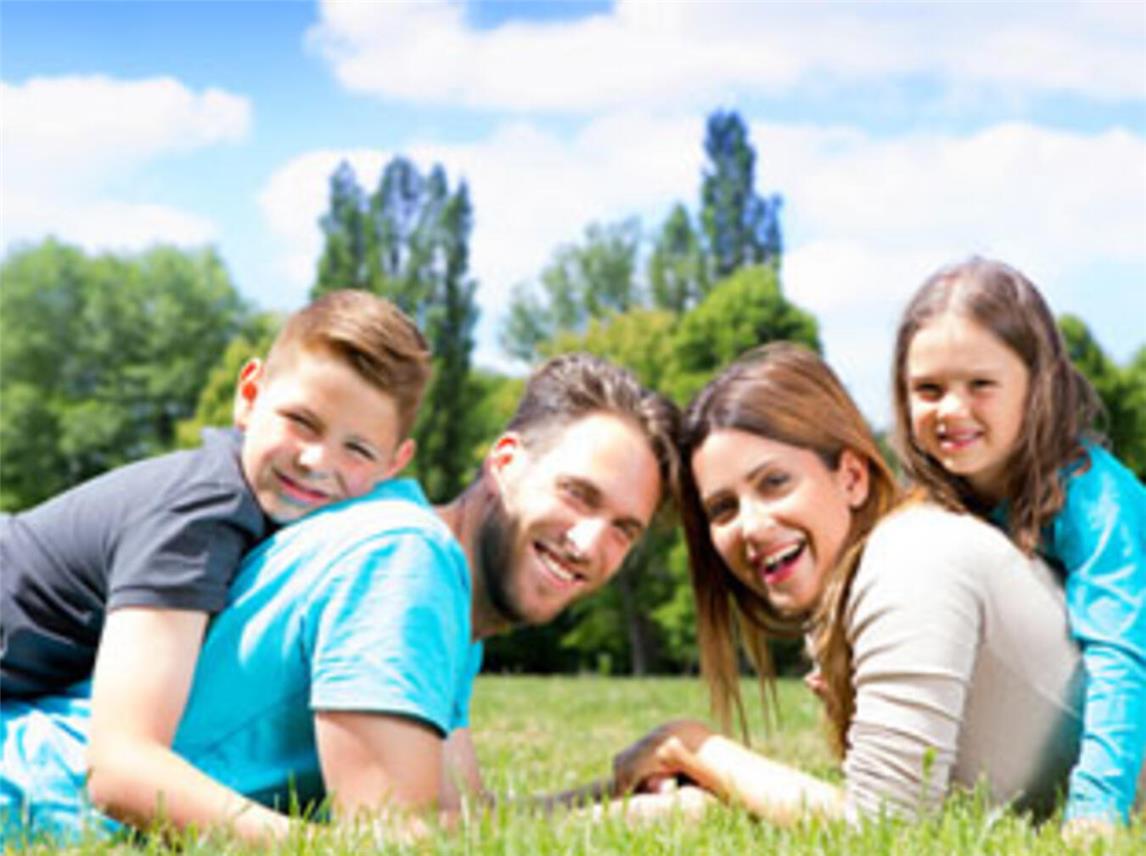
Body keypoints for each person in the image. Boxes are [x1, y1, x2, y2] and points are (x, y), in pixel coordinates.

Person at [1, 352, 680, 846]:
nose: (590, 544)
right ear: (505, 462)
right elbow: (390, 838)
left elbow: (464, 819)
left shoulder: (433, 575)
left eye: (624, 529)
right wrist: (618, 821)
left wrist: (609, 795)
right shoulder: (403, 560)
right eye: (577, 494)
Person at [611, 342, 1114, 825]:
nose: (753, 526)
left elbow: (882, 828)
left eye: (774, 483)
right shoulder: (880, 571)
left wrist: (691, 745)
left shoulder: (910, 560)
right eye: (723, 508)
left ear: (851, 477)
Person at [1, 290, 429, 838]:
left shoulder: (309, 530)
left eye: (358, 450)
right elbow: (117, 766)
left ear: (395, 463)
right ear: (249, 395)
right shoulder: (201, 516)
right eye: (302, 421)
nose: (318, 461)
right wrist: (314, 847)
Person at [891, 257, 1146, 833]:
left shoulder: (1094, 497)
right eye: (928, 389)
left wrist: (1096, 811)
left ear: (1038, 385)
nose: (952, 410)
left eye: (981, 385)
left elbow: (1120, 658)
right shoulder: (936, 508)